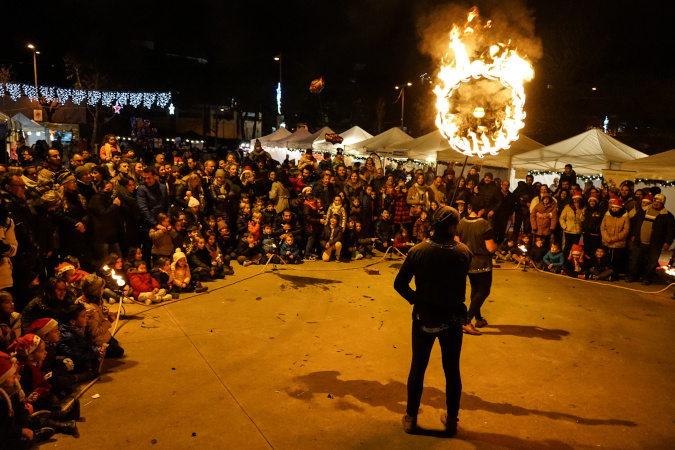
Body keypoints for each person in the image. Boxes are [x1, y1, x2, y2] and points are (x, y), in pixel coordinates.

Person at [394, 206, 471, 436]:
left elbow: (399, 284)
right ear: (451, 227)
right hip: (452, 319)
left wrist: (417, 300)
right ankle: (452, 420)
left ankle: (411, 417)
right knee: (451, 370)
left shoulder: (418, 251)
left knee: (418, 367)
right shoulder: (463, 252)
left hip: (423, 318)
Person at [457, 198, 498, 335]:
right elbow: (490, 248)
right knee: (484, 291)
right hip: (482, 263)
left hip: (466, 261)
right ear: (482, 209)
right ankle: (467, 320)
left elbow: (457, 243)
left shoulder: (461, 222)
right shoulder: (485, 224)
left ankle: (479, 318)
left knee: (475, 289)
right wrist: (497, 246)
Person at [628, 193, 675, 285]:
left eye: (659, 202)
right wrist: (633, 234)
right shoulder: (643, 211)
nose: (656, 203)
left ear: (663, 204)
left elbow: (671, 231)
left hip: (655, 244)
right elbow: (635, 223)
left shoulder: (667, 216)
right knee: (635, 260)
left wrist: (667, 242)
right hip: (639, 241)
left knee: (651, 263)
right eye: (655, 201)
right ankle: (632, 276)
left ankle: (647, 278)